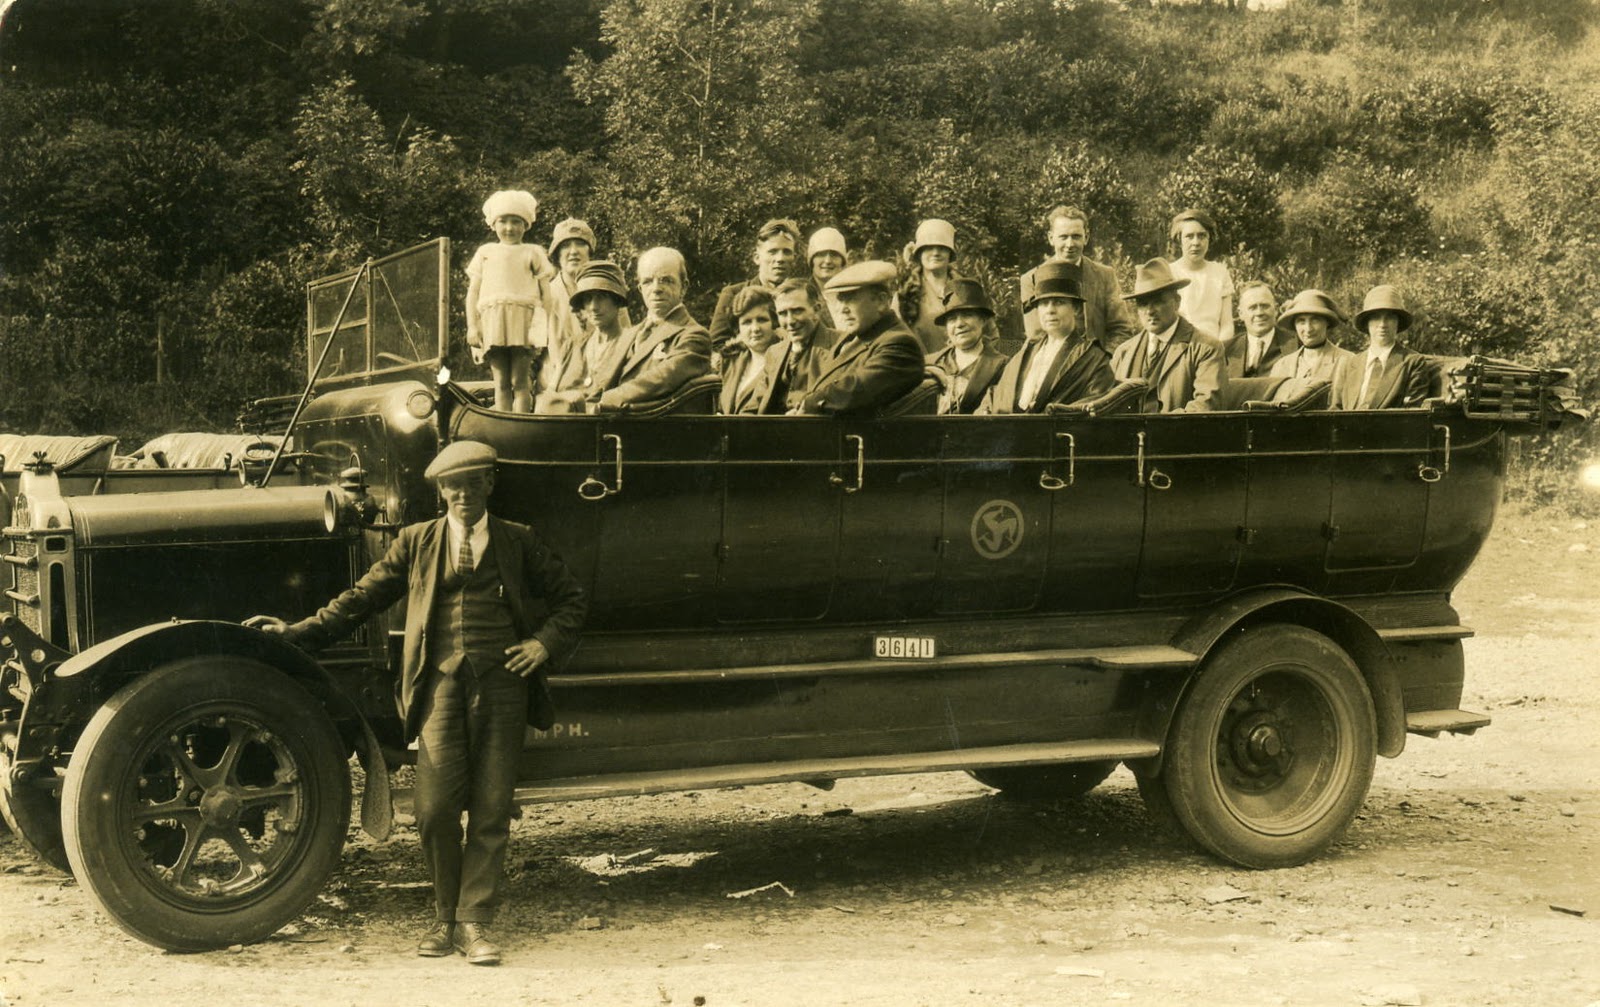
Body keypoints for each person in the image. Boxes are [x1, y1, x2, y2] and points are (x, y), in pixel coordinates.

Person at [245, 440, 587, 966]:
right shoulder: (417, 541)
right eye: (454, 486)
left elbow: (571, 600)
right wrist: (296, 632)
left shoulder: (518, 540)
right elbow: (361, 598)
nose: (464, 495)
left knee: (493, 811)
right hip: (439, 689)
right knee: (433, 810)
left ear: (489, 486)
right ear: (441, 492)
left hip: (502, 689)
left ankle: (474, 924)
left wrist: (543, 644)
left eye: (474, 483)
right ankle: (442, 917)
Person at [465, 190, 558, 413]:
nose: (509, 228)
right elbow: (473, 293)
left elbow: (546, 294)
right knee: (501, 382)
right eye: (503, 221)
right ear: (493, 224)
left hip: (523, 323)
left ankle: (522, 424)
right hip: (494, 323)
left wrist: (541, 325)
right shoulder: (485, 252)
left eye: (516, 222)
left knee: (520, 380)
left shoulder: (532, 252)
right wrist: (472, 326)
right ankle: (505, 423)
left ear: (525, 225)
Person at [589, 247, 713, 413]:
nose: (656, 288)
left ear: (684, 287)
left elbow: (661, 380)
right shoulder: (630, 334)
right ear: (640, 289)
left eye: (666, 280)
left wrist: (605, 400)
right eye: (648, 281)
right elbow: (601, 384)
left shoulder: (694, 336)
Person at [981, 262, 1114, 414]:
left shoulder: (1093, 359)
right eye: (1044, 303)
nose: (1050, 310)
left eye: (1059, 302)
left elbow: (1095, 404)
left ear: (1076, 309)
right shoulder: (1026, 352)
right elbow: (997, 395)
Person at [800, 261, 925, 416]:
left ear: (881, 301)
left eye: (851, 299)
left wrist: (808, 404)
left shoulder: (899, 343)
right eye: (840, 299)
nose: (842, 309)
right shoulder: (853, 336)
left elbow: (855, 391)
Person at [1109, 258, 1227, 413]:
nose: (1150, 311)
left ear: (1177, 302)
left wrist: (1160, 427)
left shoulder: (1206, 348)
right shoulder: (1123, 353)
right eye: (1143, 304)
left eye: (1158, 301)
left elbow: (1206, 405)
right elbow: (1106, 401)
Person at [1018, 205, 1137, 346]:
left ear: (1086, 238)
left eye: (1076, 236)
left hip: (1098, 363)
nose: (1070, 244)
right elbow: (1036, 337)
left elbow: (1121, 329)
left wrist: (1103, 362)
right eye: (1063, 237)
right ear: (1051, 238)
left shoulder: (1104, 275)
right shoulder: (1031, 279)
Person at [537, 260, 631, 413]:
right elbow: (548, 396)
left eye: (601, 297)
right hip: (556, 427)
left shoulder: (631, 345)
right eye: (588, 299)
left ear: (617, 301)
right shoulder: (572, 346)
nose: (593, 307)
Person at [709, 219, 802, 355]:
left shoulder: (800, 296)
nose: (780, 258)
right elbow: (716, 346)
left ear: (794, 258)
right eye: (773, 251)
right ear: (757, 257)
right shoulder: (733, 294)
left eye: (786, 252)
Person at [1331, 285, 1431, 410]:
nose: (1382, 324)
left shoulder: (1412, 362)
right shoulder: (1350, 364)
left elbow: (1412, 414)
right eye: (1376, 317)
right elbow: (1334, 410)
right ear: (1367, 323)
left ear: (1398, 322)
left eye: (1389, 318)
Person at [754, 278, 836, 414]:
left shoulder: (840, 344)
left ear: (816, 310)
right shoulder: (774, 352)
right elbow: (754, 406)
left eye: (797, 311)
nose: (790, 321)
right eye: (783, 314)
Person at [926, 280, 1009, 414]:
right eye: (952, 319)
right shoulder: (931, 363)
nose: (959, 324)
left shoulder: (1002, 366)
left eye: (967, 315)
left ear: (983, 320)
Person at [1166, 208, 1235, 344]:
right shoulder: (1169, 272)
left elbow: (1227, 323)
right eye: (1189, 236)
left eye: (1202, 236)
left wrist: (1218, 350)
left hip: (1214, 348)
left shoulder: (1220, 272)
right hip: (1178, 347)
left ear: (1209, 239)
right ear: (1179, 240)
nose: (1196, 243)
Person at [1269, 288, 1354, 389]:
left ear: (1326, 322)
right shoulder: (1282, 365)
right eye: (1301, 321)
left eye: (1315, 320)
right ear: (1294, 325)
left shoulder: (1348, 361)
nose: (1308, 329)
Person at [899, 218, 959, 354]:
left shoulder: (965, 289)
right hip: (919, 369)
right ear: (919, 253)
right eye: (929, 248)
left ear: (950, 253)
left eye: (942, 248)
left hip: (967, 370)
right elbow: (895, 338)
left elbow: (990, 333)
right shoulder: (905, 294)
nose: (936, 253)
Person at [718, 285, 781, 415]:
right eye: (747, 322)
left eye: (762, 320)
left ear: (774, 322)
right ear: (738, 328)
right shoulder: (729, 361)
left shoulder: (785, 359)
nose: (755, 328)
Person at [1225, 281, 1297, 378]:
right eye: (1252, 307)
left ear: (1275, 310)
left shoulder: (1296, 344)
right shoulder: (1226, 350)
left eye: (1265, 306)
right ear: (1240, 314)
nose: (1259, 313)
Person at [807, 226, 849, 330]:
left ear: (842, 262)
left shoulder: (853, 293)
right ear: (812, 260)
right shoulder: (804, 295)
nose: (828, 260)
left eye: (834, 255)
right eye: (821, 254)